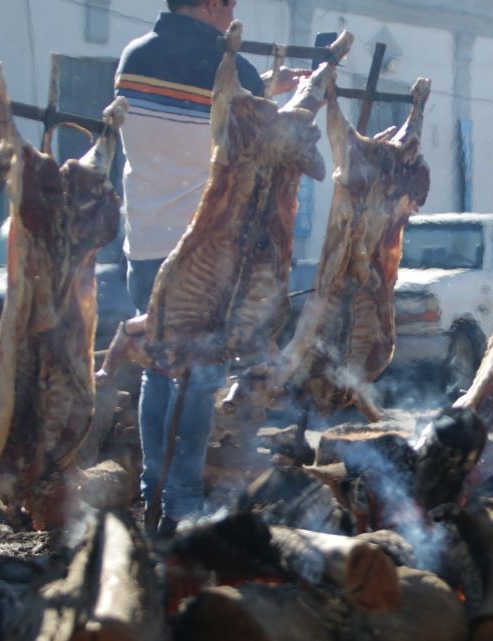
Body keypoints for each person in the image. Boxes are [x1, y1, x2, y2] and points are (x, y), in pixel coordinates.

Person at [115, 0, 304, 535]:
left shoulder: (134, 56)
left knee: (159, 366)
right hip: (208, 252)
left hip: (147, 242)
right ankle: (182, 499)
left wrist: (258, 88)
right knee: (201, 375)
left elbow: (190, 122)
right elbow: (235, 133)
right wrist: (267, 94)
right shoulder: (233, 68)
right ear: (214, 5)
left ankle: (155, 492)